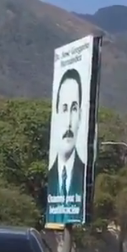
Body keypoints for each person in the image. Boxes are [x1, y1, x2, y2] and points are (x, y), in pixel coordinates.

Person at [47, 68, 87, 218]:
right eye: (64, 109)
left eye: (74, 109)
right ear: (56, 115)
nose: (69, 122)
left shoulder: (84, 176)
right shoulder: (50, 178)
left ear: (81, 116)